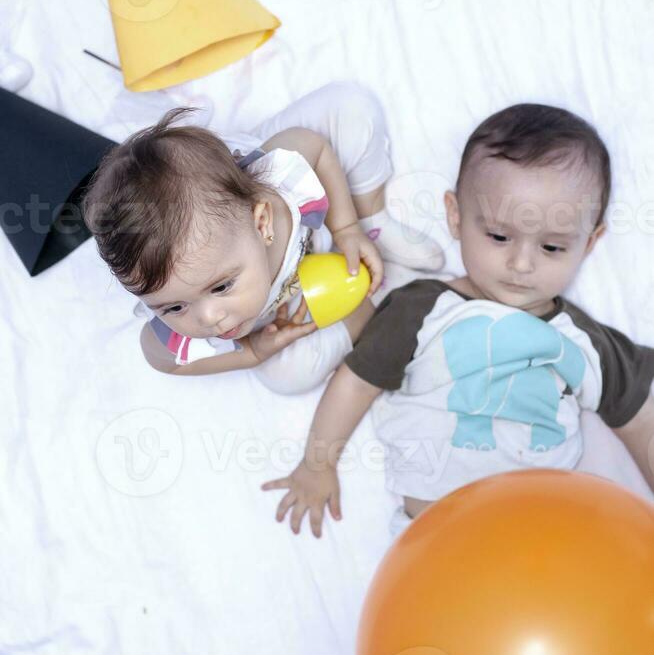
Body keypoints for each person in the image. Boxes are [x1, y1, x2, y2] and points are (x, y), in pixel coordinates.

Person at [262, 103, 654, 533]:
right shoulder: (422, 311)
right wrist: (318, 464)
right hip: (437, 540)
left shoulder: (582, 342)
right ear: (456, 216)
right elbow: (356, 382)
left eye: (552, 248)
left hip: (545, 534)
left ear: (591, 241)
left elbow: (639, 417)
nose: (522, 263)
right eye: (499, 236)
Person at [82, 81, 443, 394]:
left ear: (262, 223)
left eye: (221, 286)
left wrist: (346, 227)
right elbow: (162, 360)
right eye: (173, 307)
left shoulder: (279, 186)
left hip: (270, 206)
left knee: (350, 106)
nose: (210, 318)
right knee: (287, 375)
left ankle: (371, 218)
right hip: (288, 295)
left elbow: (314, 148)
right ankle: (369, 305)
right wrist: (252, 352)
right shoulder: (183, 293)